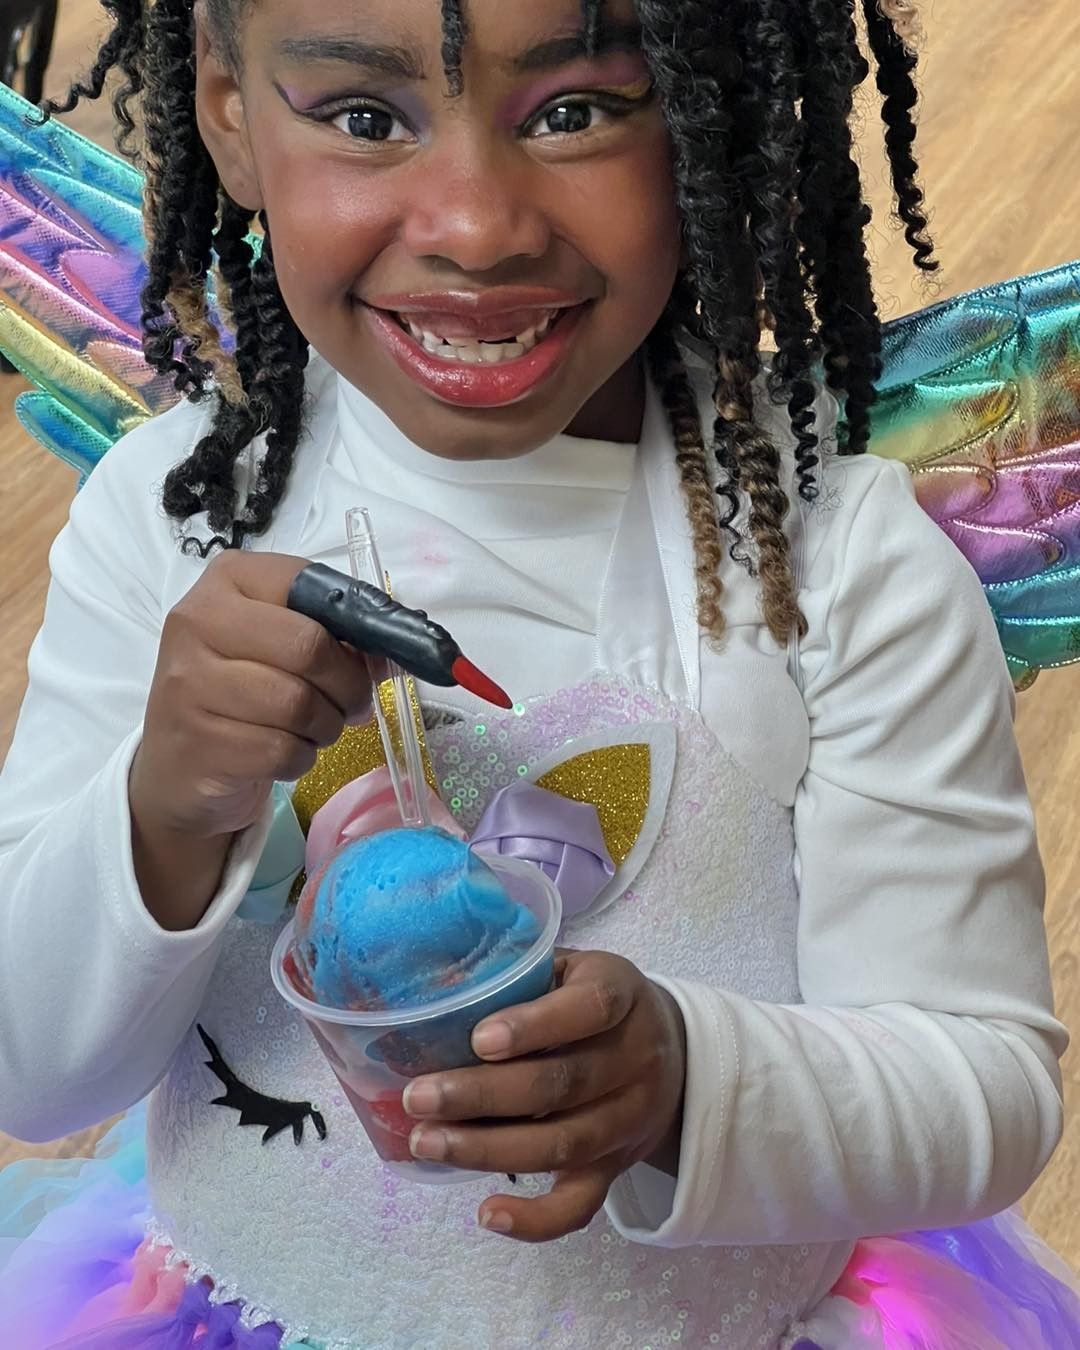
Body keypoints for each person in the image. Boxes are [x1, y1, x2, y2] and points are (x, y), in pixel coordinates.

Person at [0, 0, 1077, 1346]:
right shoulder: (169, 518)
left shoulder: (835, 562)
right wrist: (162, 807)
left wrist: (688, 1083)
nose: (477, 225)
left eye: (574, 112)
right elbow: (32, 1072)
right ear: (227, 108)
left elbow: (985, 1087)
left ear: (714, 113)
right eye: (364, 118)